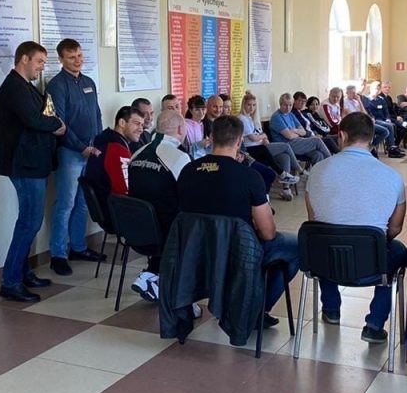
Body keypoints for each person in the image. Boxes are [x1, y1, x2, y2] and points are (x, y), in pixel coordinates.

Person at [177, 115, 300, 326]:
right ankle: (257, 310)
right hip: (239, 253)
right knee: (296, 246)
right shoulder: (249, 176)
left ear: (211, 138)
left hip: (197, 251)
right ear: (239, 140)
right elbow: (268, 233)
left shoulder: (187, 171)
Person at [305, 112, 407, 344]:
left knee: (324, 237)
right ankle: (374, 324)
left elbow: (314, 220)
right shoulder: (392, 176)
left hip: (325, 262)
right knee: (398, 250)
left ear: (341, 136)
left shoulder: (317, 170)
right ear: (372, 138)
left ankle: (331, 308)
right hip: (371, 263)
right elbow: (395, 228)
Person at [0, 41, 66, 302]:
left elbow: (43, 114)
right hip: (24, 165)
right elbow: (33, 119)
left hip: (36, 163)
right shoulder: (14, 87)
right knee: (29, 222)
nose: (41, 67)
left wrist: (53, 122)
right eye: (39, 62)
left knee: (29, 221)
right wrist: (56, 125)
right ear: (24, 59)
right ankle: (11, 281)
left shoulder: (27, 86)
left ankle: (23, 272)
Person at [44, 38, 106, 277]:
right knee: (66, 203)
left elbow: (96, 114)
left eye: (79, 55)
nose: (77, 60)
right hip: (71, 152)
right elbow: (58, 123)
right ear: (61, 59)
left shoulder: (88, 82)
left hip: (92, 150)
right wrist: (81, 147)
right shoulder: (56, 85)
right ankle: (58, 254)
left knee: (83, 202)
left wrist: (98, 142)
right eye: (71, 57)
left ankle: (78, 247)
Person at [127, 109, 190, 302]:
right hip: (167, 232)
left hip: (136, 229)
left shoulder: (136, 154)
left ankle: (151, 275)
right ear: (180, 129)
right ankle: (183, 293)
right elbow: (191, 196)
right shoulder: (179, 157)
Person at [238, 91, 301, 194]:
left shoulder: (251, 118)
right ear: (243, 105)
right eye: (249, 105)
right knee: (285, 146)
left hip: (261, 146)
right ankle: (297, 170)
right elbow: (253, 138)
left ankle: (286, 188)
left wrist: (264, 138)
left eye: (254, 105)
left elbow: (260, 133)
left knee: (285, 157)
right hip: (252, 149)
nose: (251, 108)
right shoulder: (242, 118)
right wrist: (263, 137)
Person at [84, 106, 145, 210]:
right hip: (115, 211)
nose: (141, 129)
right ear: (122, 123)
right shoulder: (117, 149)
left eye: (142, 125)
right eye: (136, 123)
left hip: (106, 205)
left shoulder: (105, 140)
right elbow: (124, 190)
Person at [269, 93, 331, 164]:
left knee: (318, 154)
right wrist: (298, 133)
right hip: (287, 145)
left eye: (290, 105)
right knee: (317, 140)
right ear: (280, 104)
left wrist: (294, 130)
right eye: (285, 105)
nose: (288, 108)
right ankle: (332, 162)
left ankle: (320, 171)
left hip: (298, 142)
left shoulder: (291, 115)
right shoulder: (277, 117)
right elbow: (289, 136)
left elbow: (303, 132)